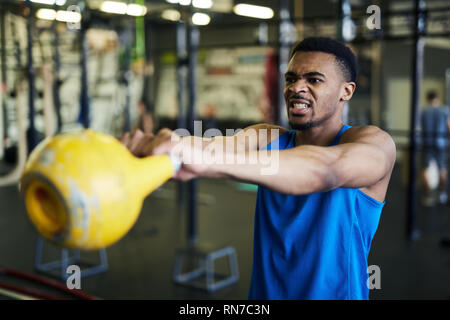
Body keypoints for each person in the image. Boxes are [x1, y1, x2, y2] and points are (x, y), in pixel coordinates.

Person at [120, 37, 396, 300]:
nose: (296, 88)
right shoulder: (268, 137)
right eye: (291, 78)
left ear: (345, 91)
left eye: (313, 79)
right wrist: (159, 143)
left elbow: (328, 170)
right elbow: (214, 146)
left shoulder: (374, 144)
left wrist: (205, 160)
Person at [420, 90, 449, 206]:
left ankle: (429, 196)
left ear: (427, 99)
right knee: (442, 169)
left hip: (427, 142)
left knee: (425, 169)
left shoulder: (424, 112)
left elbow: (421, 128)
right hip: (441, 143)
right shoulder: (445, 110)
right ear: (437, 98)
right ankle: (442, 194)